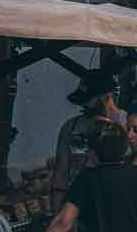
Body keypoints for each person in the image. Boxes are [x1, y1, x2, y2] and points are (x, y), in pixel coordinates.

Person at [52, 73, 122, 204]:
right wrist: (56, 211)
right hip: (80, 203)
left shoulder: (129, 125)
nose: (84, 105)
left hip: (114, 203)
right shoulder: (71, 127)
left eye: (88, 100)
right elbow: (61, 174)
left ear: (106, 97)